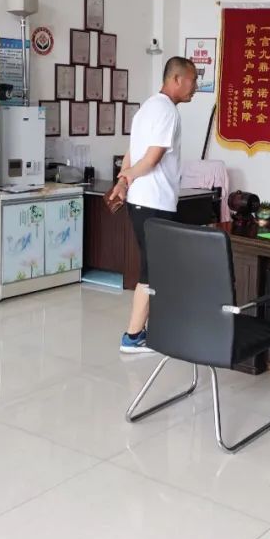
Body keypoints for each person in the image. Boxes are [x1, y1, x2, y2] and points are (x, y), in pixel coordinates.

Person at [107, 56, 198, 353]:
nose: (195, 87)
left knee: (154, 268)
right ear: (176, 79)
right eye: (193, 80)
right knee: (153, 270)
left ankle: (145, 331)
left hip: (140, 202)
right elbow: (152, 158)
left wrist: (123, 181)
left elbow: (131, 152)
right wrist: (128, 177)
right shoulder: (168, 111)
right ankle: (133, 336)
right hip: (155, 202)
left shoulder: (146, 107)